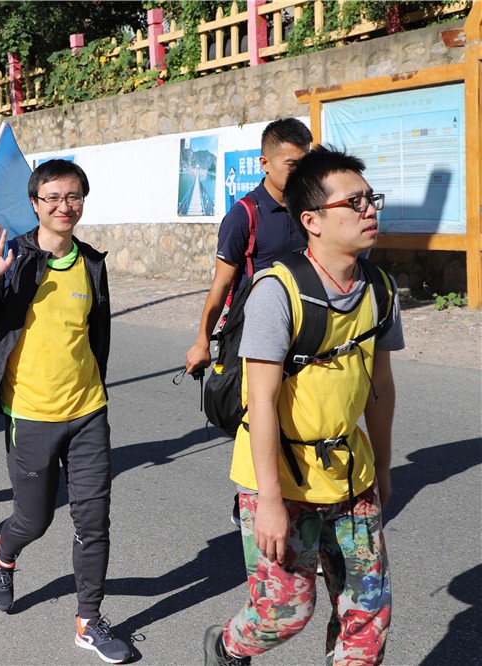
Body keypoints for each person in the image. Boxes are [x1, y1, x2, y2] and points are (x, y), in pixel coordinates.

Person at [203, 146, 402, 666]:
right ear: (311, 220)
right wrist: (269, 500)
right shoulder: (278, 291)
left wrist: (381, 466)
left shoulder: (379, 287)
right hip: (280, 479)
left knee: (368, 617)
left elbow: (379, 386)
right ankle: (226, 647)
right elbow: (261, 401)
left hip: (350, 475)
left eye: (370, 198)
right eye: (353, 202)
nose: (369, 210)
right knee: (285, 612)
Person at [0, 160, 131, 664]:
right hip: (29, 415)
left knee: (93, 520)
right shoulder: (15, 258)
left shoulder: (91, 263)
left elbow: (95, 335)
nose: (64, 206)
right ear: (35, 203)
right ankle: (2, 553)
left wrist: (93, 391)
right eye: (53, 197)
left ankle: (89, 620)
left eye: (73, 196)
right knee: (33, 519)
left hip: (87, 413)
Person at [185, 118, 312, 527]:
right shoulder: (245, 216)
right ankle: (253, 499)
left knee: (301, 417)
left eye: (304, 162)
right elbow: (221, 285)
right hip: (256, 336)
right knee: (259, 416)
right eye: (292, 163)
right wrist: (202, 340)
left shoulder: (309, 208)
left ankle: (297, 496)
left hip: (307, 334)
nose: (300, 171)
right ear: (264, 163)